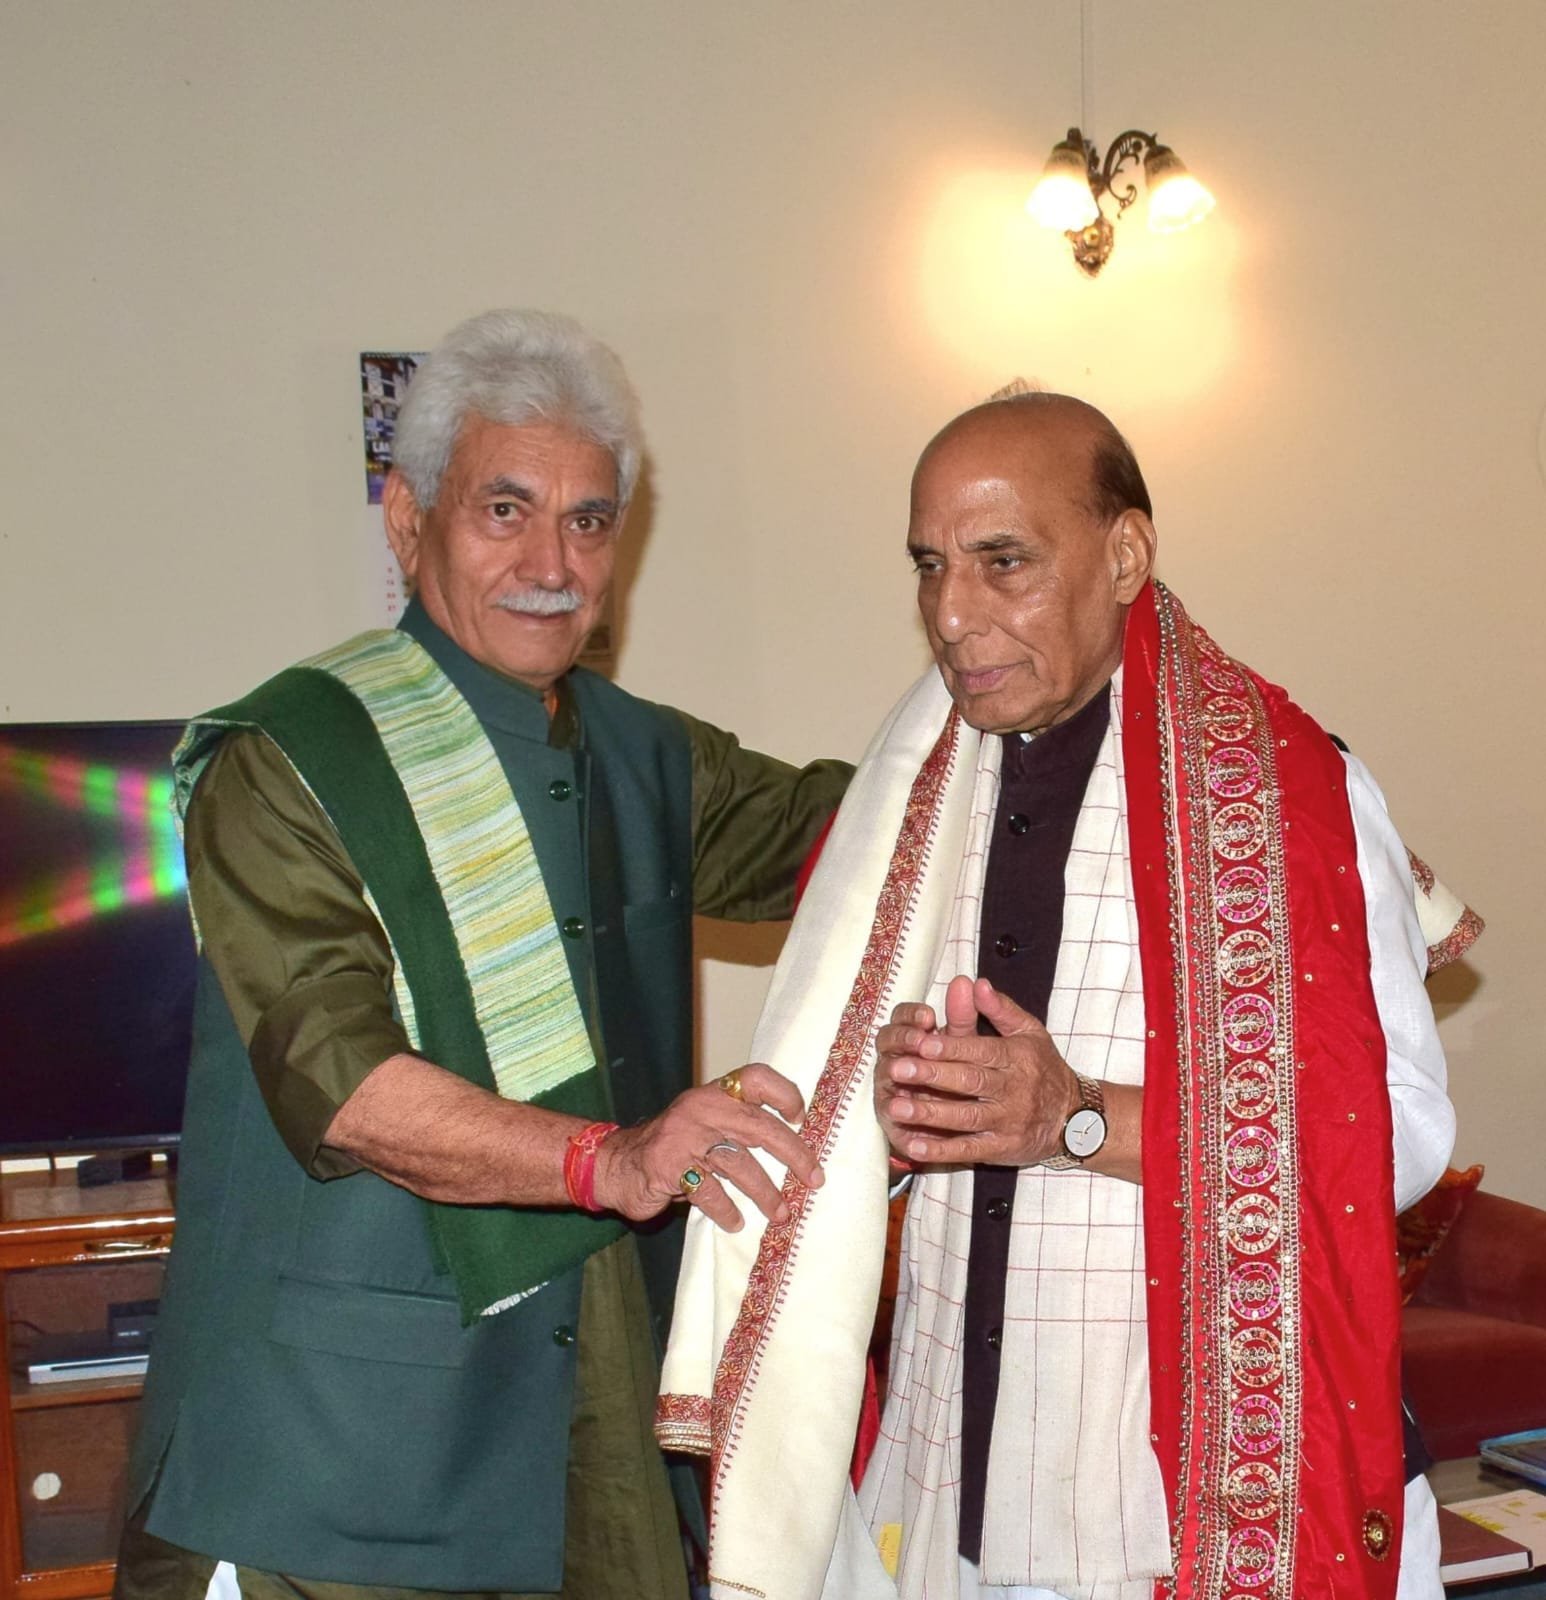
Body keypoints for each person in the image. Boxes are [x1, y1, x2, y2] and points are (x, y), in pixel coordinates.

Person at [658, 394, 1473, 1600]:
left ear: (1124, 553)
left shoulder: (1290, 795)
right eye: (929, 565)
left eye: (1003, 562)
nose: (951, 613)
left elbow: (1399, 1138)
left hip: (1187, 1504)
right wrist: (885, 1122)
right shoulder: (904, 807)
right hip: (943, 1492)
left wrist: (1079, 1119)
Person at [114, 309, 852, 1600]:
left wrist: (1015, 697)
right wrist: (613, 1157)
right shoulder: (289, 760)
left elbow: (856, 835)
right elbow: (345, 1087)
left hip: (591, 1422)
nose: (551, 562)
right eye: (504, 510)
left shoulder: (642, 754)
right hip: (334, 1455)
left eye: (589, 520)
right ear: (407, 523)